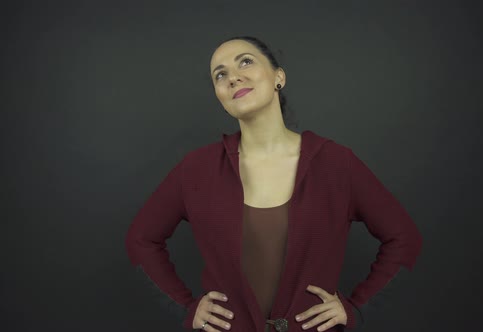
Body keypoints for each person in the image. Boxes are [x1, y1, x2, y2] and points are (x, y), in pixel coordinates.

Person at [125, 36, 423, 332]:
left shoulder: (336, 163)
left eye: (245, 61)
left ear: (278, 76)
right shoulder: (195, 169)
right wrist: (186, 307)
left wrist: (357, 307)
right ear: (219, 95)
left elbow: (404, 239)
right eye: (220, 74)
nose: (233, 77)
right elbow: (141, 240)